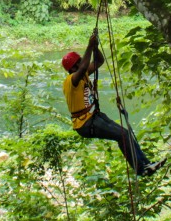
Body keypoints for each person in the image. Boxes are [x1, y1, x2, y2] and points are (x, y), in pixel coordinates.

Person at [62, 29, 164, 177]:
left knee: (126, 134)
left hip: (93, 117)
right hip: (84, 123)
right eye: (78, 63)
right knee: (122, 135)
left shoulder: (83, 75)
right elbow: (84, 66)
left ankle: (146, 164)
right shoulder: (71, 81)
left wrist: (95, 47)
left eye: (80, 61)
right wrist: (90, 46)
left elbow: (98, 61)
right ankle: (140, 169)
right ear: (72, 68)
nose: (82, 64)